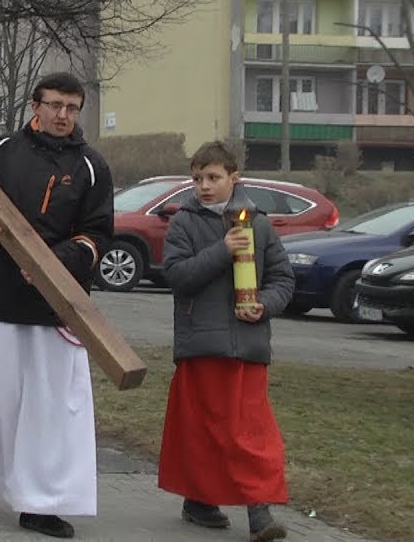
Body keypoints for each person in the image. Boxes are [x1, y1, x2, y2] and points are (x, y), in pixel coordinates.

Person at [0, 71, 114, 539]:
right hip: (1, 295)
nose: (63, 115)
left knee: (50, 408)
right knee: (1, 400)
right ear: (35, 106)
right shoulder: (1, 150)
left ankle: (39, 503)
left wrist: (58, 261)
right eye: (55, 105)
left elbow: (99, 232)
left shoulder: (91, 166)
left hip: (56, 303)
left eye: (71, 108)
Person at [159, 141, 293, 542]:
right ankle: (200, 500)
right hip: (202, 344)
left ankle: (259, 514)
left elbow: (283, 280)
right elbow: (178, 276)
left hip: (248, 346)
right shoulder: (184, 222)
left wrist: (264, 306)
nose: (204, 186)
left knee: (251, 433)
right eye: (198, 178)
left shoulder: (260, 224)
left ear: (235, 179)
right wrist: (223, 249)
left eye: (213, 178)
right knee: (203, 431)